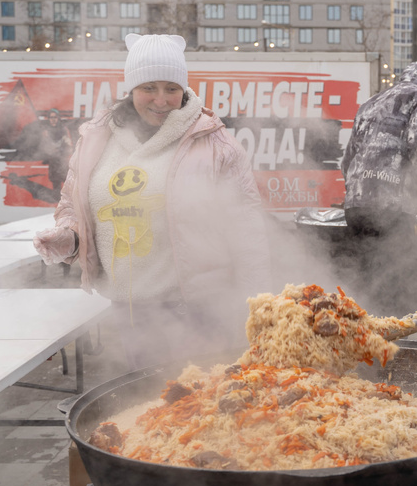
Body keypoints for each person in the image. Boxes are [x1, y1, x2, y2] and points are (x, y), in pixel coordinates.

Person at [33, 34, 271, 371]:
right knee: (150, 410)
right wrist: (68, 237)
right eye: (149, 87)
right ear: (131, 89)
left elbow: (247, 229)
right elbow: (74, 207)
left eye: (172, 88)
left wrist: (258, 309)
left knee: (201, 409)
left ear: (184, 90)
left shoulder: (216, 144)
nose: (161, 100)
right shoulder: (97, 138)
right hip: (130, 311)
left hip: (199, 309)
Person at [340, 58, 417, 316]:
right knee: (393, 291)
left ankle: (361, 347)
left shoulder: (371, 102)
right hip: (391, 208)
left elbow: (347, 161)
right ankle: (391, 351)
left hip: (355, 206)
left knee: (366, 288)